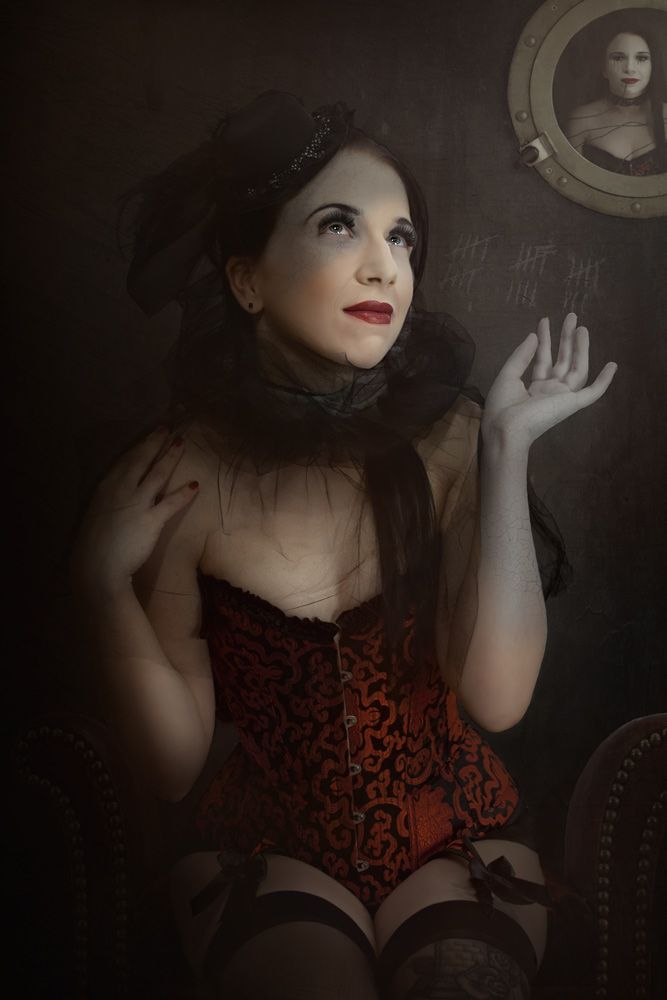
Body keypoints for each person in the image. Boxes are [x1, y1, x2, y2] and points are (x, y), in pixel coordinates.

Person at [70, 91, 617, 999]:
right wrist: (100, 587)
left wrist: (505, 450)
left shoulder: (455, 442)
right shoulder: (178, 474)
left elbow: (497, 698)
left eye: (401, 238)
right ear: (246, 280)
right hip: (270, 850)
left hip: (453, 843)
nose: (384, 267)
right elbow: (170, 767)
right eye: (339, 227)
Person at [565, 18, 667, 176]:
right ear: (604, 68)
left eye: (641, 58)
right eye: (618, 58)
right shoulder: (581, 120)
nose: (630, 68)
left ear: (653, 66)